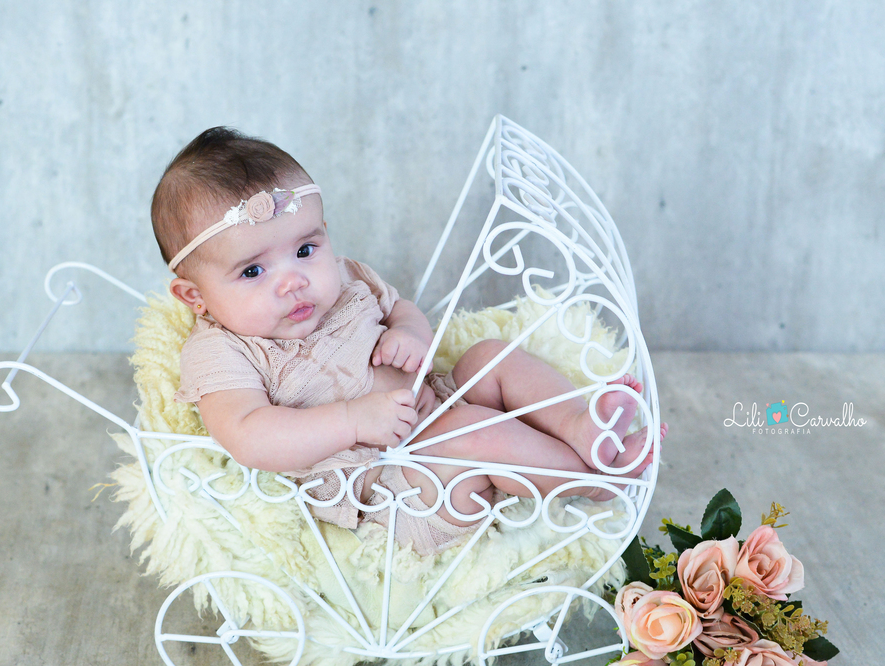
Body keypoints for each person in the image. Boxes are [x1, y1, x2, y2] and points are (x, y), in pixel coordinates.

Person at [153, 127, 666, 555]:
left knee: (487, 357)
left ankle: (578, 425)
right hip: (395, 490)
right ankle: (597, 480)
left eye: (306, 248)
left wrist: (409, 332)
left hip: (435, 403)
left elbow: (400, 308)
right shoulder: (220, 351)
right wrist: (353, 420)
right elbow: (249, 435)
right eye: (254, 270)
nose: (294, 281)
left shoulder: (348, 276)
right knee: (471, 433)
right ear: (194, 296)